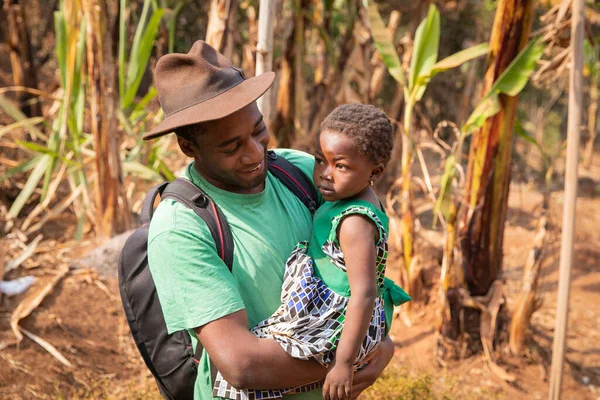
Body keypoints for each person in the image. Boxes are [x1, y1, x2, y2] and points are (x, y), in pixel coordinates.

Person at [144, 40, 395, 400]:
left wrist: (379, 342)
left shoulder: (298, 171)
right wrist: (354, 358)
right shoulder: (181, 228)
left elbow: (365, 269)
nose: (255, 153)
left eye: (258, 130)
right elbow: (243, 365)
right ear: (188, 147)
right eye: (231, 147)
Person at [213, 104, 410, 400]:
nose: (324, 175)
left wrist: (343, 363)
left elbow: (364, 293)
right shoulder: (345, 196)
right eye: (320, 161)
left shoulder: (354, 221)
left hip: (337, 318)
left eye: (340, 166)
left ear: (375, 171)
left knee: (252, 376)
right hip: (333, 310)